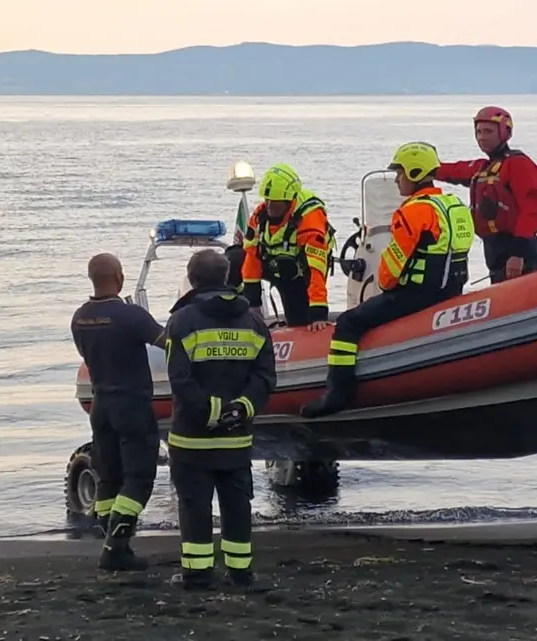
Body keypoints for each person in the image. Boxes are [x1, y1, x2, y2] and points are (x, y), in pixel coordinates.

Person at [300, 142, 475, 418]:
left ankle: (338, 392)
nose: (396, 180)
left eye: (400, 173)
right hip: (452, 290)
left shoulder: (412, 211)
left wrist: (385, 288)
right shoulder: (455, 206)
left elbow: (389, 272)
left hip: (415, 295)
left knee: (348, 323)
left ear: (415, 173)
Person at [164, 249, 277, 590]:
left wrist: (211, 411)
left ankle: (198, 575)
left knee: (195, 505)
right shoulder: (254, 321)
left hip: (191, 438)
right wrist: (240, 408)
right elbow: (265, 377)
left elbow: (180, 380)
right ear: (227, 278)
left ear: (193, 279)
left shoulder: (182, 321)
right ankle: (241, 574)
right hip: (237, 437)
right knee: (237, 504)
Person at [70, 252, 165, 572]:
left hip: (101, 406)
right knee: (139, 479)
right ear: (120, 278)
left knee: (110, 479)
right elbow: (168, 342)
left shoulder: (79, 317)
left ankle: (110, 541)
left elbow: (86, 353)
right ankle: (116, 547)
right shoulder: (130, 316)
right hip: (132, 405)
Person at [434, 106, 537, 283]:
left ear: (504, 132)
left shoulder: (518, 165)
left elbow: (531, 212)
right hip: (495, 252)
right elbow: (454, 170)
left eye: (488, 131)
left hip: (521, 253)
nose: (481, 137)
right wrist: (423, 166)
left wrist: (517, 255)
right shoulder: (483, 168)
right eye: (478, 132)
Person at [240, 163, 337, 331]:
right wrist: (252, 302)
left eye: (275, 203)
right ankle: (230, 316)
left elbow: (317, 270)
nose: (270, 206)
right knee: (233, 259)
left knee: (299, 322)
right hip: (273, 263)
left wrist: (319, 313)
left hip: (299, 273)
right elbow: (251, 258)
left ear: (289, 202)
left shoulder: (309, 218)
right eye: (267, 200)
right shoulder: (260, 215)